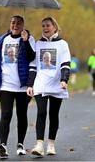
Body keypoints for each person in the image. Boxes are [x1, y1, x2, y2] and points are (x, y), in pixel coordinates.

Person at [26, 17, 71, 156]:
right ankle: (39, 145)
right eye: (43, 26)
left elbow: (65, 64)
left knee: (53, 114)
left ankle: (51, 144)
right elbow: (33, 66)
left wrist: (64, 80)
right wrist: (30, 84)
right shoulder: (38, 44)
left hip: (57, 83)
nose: (45, 28)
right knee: (41, 112)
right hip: (40, 83)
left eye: (48, 25)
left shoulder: (63, 44)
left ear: (54, 27)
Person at [0, 15, 36, 158]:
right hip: (5, 85)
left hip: (22, 86)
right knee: (6, 114)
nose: (15, 25)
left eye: (18, 23)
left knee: (21, 115)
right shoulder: (1, 40)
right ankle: (3, 145)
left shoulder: (29, 38)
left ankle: (20, 144)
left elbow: (32, 57)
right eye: (13, 22)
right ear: (9, 24)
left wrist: (25, 40)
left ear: (23, 25)